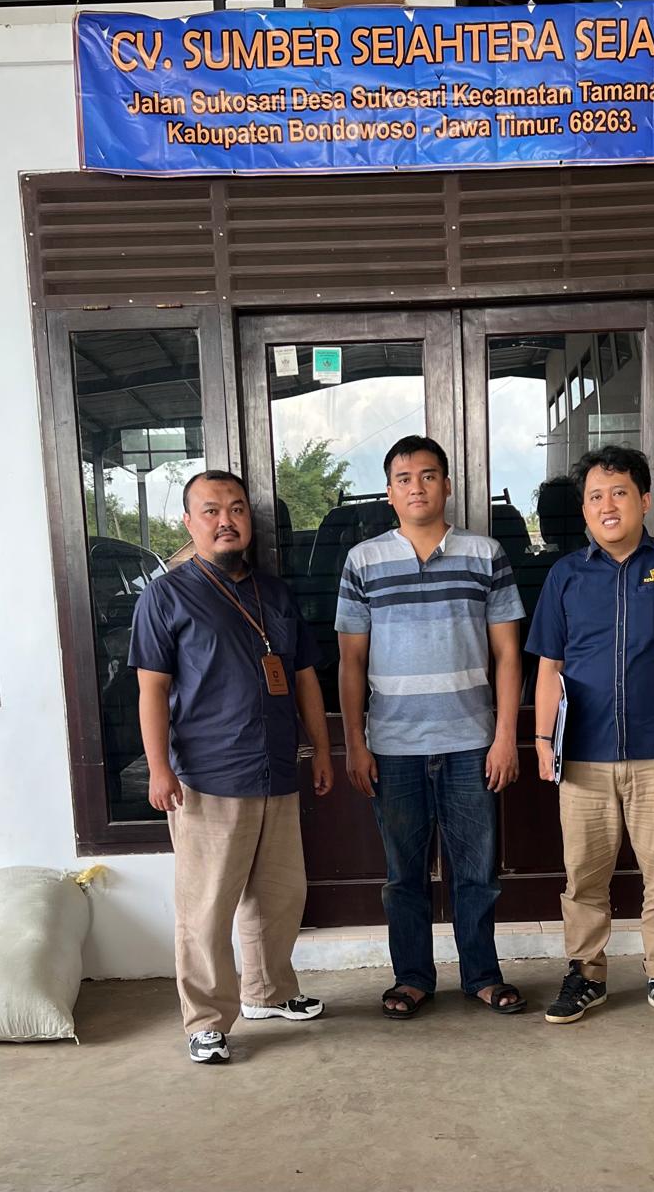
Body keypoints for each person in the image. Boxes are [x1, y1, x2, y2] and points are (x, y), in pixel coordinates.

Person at [129, 470, 334, 1064]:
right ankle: (205, 1020)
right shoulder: (165, 596)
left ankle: (269, 992)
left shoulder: (275, 593)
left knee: (279, 896)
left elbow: (303, 678)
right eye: (212, 510)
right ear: (189, 523)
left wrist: (321, 750)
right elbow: (151, 690)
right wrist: (159, 768)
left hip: (276, 769)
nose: (226, 520)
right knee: (207, 908)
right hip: (207, 777)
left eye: (237, 509)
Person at [527, 445, 654, 1029]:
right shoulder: (566, 575)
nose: (607, 505)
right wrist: (542, 740)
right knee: (584, 876)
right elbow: (549, 666)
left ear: (644, 500)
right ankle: (586, 975)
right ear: (584, 510)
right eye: (595, 496)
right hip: (582, 755)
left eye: (619, 493)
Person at [335, 436, 527, 1019]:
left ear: (446, 484)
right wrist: (355, 743)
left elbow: (509, 656)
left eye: (427, 475)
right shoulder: (363, 561)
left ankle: (482, 976)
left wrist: (505, 737)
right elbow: (350, 662)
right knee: (404, 876)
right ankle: (413, 978)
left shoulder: (485, 554)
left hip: (471, 743)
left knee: (476, 873)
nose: (416, 487)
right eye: (403, 478)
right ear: (389, 492)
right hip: (393, 747)